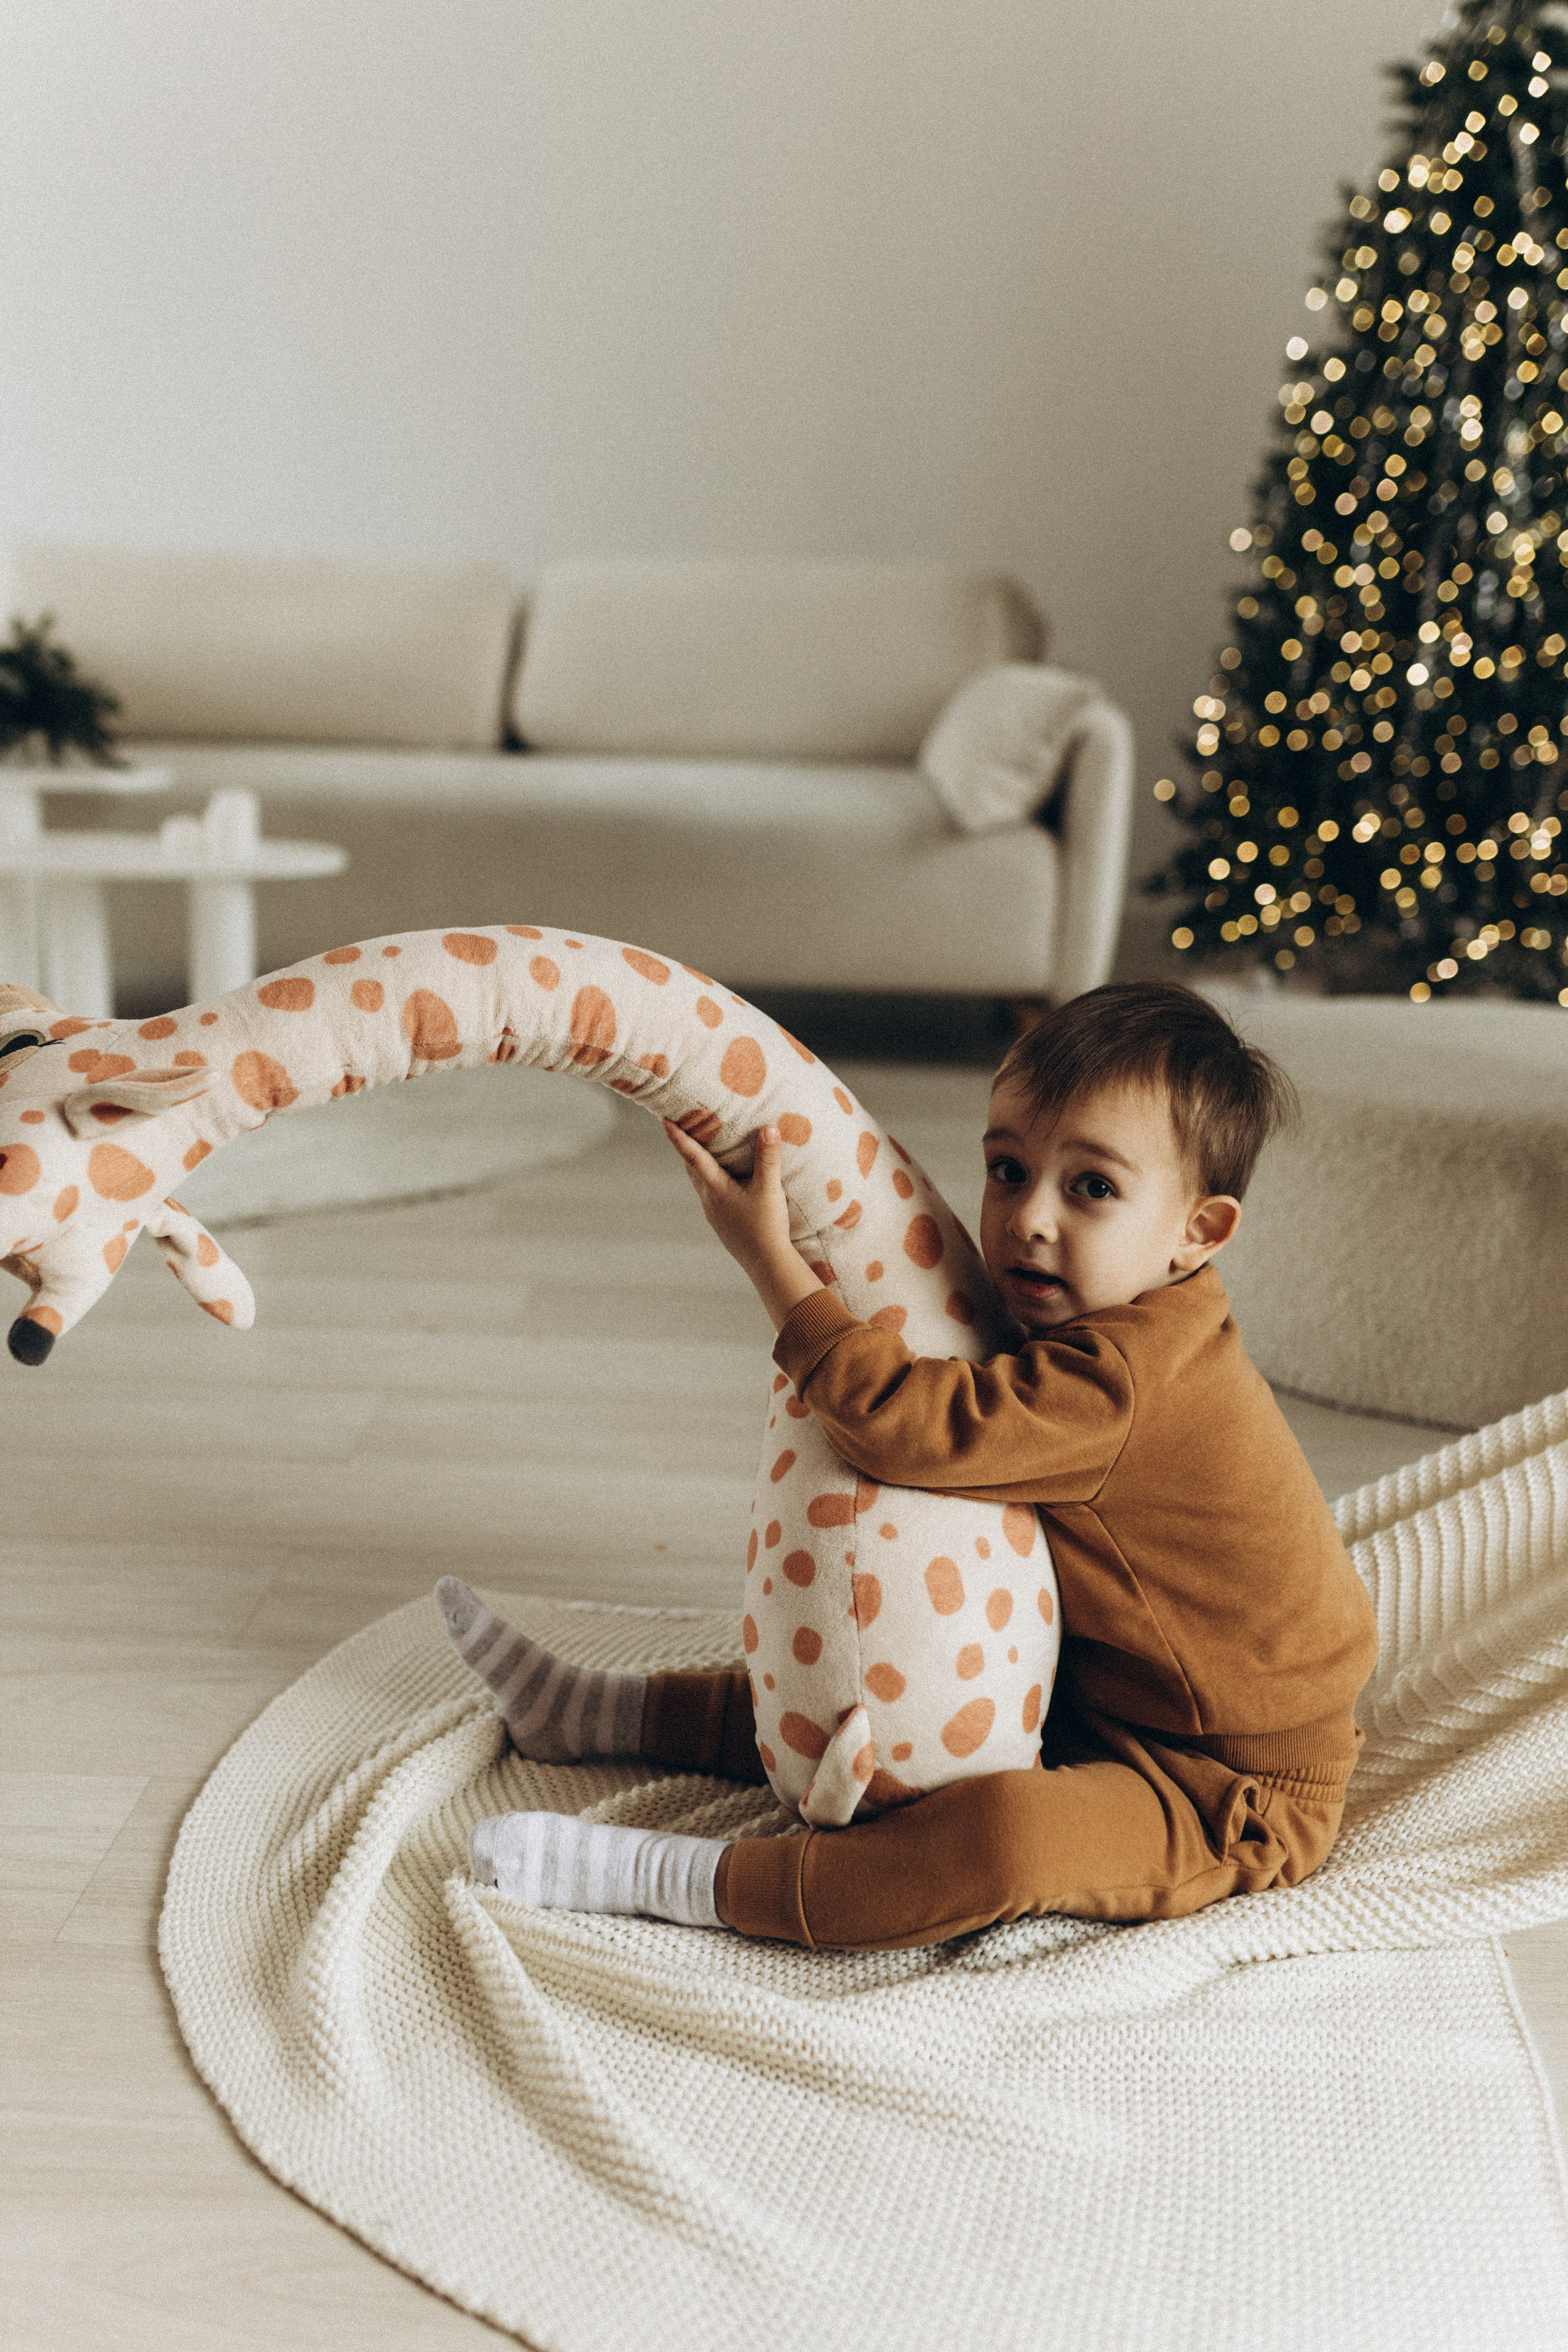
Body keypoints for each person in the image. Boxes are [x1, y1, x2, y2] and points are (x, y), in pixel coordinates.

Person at [440, 981, 1378, 1950]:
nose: (1029, 1220)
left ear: (1200, 1231)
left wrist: (775, 1266)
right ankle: (590, 1710)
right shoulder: (1125, 1315)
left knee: (1006, 1838)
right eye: (1008, 1170)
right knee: (868, 1697)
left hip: (1228, 1788)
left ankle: (673, 1875)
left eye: (1091, 1188)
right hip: (1112, 1699)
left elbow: (916, 1428)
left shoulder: (1129, 1382)